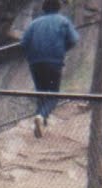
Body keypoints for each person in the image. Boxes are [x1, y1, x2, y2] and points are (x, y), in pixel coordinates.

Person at [21, 0, 79, 137]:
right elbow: (74, 40)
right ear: (58, 8)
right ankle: (41, 116)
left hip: (35, 63)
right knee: (53, 95)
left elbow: (23, 43)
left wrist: (31, 56)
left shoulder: (34, 23)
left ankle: (41, 125)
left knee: (41, 93)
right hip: (54, 62)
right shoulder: (63, 21)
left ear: (44, 9)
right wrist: (63, 49)